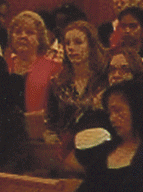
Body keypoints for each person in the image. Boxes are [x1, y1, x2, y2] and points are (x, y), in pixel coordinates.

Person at [45, 19, 108, 148]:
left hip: (98, 147)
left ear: (91, 45)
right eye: (67, 43)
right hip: (65, 148)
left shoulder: (104, 80)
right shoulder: (57, 83)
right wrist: (49, 136)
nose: (71, 48)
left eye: (78, 43)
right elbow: (51, 122)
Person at [5, 9, 60, 114]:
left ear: (40, 39)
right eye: (18, 32)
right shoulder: (3, 66)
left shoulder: (54, 68)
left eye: (30, 33)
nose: (23, 36)